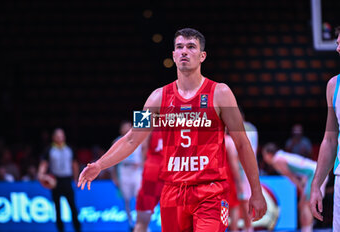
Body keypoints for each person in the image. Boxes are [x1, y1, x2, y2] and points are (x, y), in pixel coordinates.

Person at [78, 28, 267, 232]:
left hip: (211, 192)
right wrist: (99, 164)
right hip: (173, 193)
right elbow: (132, 138)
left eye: (191, 47)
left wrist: (256, 191)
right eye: (179, 47)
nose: (184, 51)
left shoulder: (220, 92)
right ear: (173, 55)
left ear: (202, 56)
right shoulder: (157, 97)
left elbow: (242, 143)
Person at [310, 26, 340, 231]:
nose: (337, 48)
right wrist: (317, 185)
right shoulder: (333, 85)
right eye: (337, 43)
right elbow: (330, 139)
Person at [262, 143, 328, 232]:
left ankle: (307, 230)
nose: (264, 159)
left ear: (268, 154)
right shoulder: (282, 155)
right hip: (313, 173)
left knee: (305, 205)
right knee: (303, 205)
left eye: (264, 155)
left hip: (314, 174)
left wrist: (302, 190)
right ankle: (307, 228)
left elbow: (291, 177)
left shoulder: (277, 160)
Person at [38, 128, 81, 232]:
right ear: (53, 138)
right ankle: (60, 230)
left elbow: (74, 165)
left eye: (62, 136)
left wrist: (76, 178)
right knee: (57, 209)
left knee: (73, 207)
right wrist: (41, 174)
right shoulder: (49, 150)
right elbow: (44, 164)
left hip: (67, 180)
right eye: (58, 136)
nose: (60, 138)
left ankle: (78, 229)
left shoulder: (69, 149)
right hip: (55, 181)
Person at [111, 121, 144, 231]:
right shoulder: (116, 141)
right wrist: (114, 177)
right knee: (126, 199)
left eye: (128, 127)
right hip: (124, 171)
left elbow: (145, 154)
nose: (126, 128)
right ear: (121, 130)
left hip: (136, 171)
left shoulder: (140, 138)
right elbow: (112, 161)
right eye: (124, 127)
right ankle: (131, 223)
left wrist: (142, 164)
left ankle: (141, 223)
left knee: (140, 197)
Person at [134, 129, 164, 232]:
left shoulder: (143, 114)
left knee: (141, 223)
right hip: (174, 168)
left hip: (151, 170)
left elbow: (140, 144)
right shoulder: (179, 114)